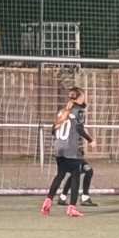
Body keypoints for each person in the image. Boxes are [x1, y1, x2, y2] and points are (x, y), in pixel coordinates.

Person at [41, 88, 91, 217]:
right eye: (83, 96)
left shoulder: (62, 111)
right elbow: (78, 128)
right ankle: (72, 208)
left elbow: (54, 129)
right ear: (80, 98)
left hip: (59, 148)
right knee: (75, 175)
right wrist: (90, 140)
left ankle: (47, 202)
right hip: (71, 149)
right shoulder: (79, 111)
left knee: (60, 174)